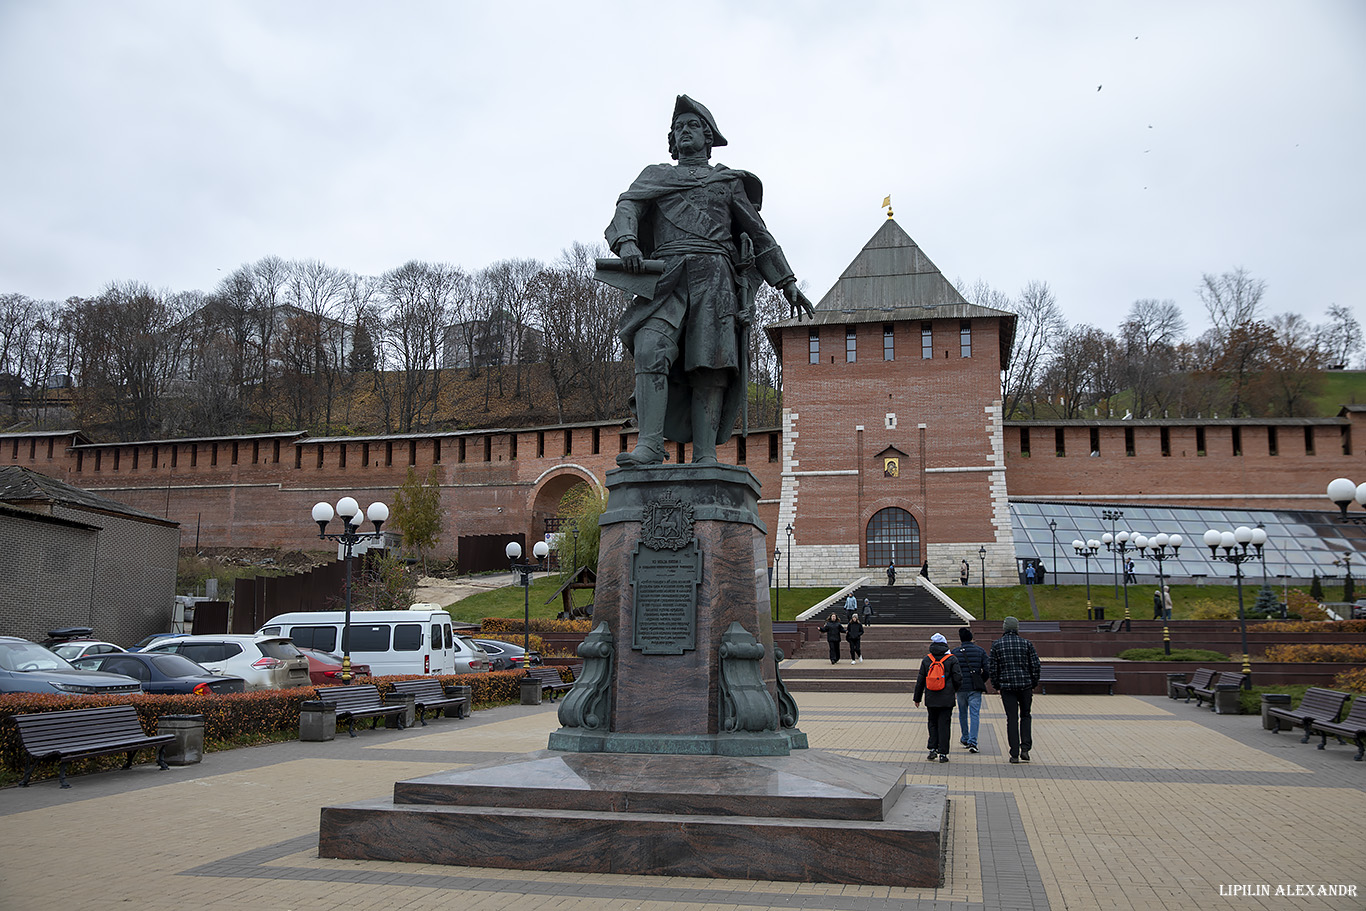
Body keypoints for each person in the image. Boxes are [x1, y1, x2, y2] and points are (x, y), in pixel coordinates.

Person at [604, 95, 815, 466]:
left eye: (692, 126)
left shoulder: (727, 182)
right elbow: (628, 208)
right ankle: (650, 444)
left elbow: (759, 234)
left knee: (709, 364)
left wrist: (787, 282)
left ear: (708, 136)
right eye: (678, 127)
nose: (684, 131)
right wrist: (627, 242)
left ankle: (705, 456)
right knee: (652, 347)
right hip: (666, 277)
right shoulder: (655, 176)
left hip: (714, 281)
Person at [987, 616, 1041, 764]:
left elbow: (993, 668)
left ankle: (1014, 753)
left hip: (1007, 687)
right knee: (1025, 715)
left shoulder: (997, 645)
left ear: (1004, 628)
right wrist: (1033, 682)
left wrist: (997, 685)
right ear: (1017, 628)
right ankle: (1025, 748)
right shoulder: (1026, 644)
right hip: (1025, 686)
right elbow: (1035, 665)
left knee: (1011, 718)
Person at [913, 633, 962, 763]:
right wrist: (953, 690)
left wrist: (917, 698)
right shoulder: (952, 659)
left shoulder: (927, 659)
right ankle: (943, 753)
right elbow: (958, 678)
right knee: (944, 725)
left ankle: (932, 749)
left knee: (932, 723)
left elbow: (920, 680)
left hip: (931, 697)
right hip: (946, 699)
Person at [953, 627, 990, 753]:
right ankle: (973, 742)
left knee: (962, 713)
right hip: (975, 688)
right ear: (971, 638)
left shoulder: (956, 652)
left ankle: (965, 737)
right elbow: (987, 669)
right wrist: (980, 680)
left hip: (961, 687)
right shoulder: (980, 651)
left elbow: (952, 670)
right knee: (974, 714)